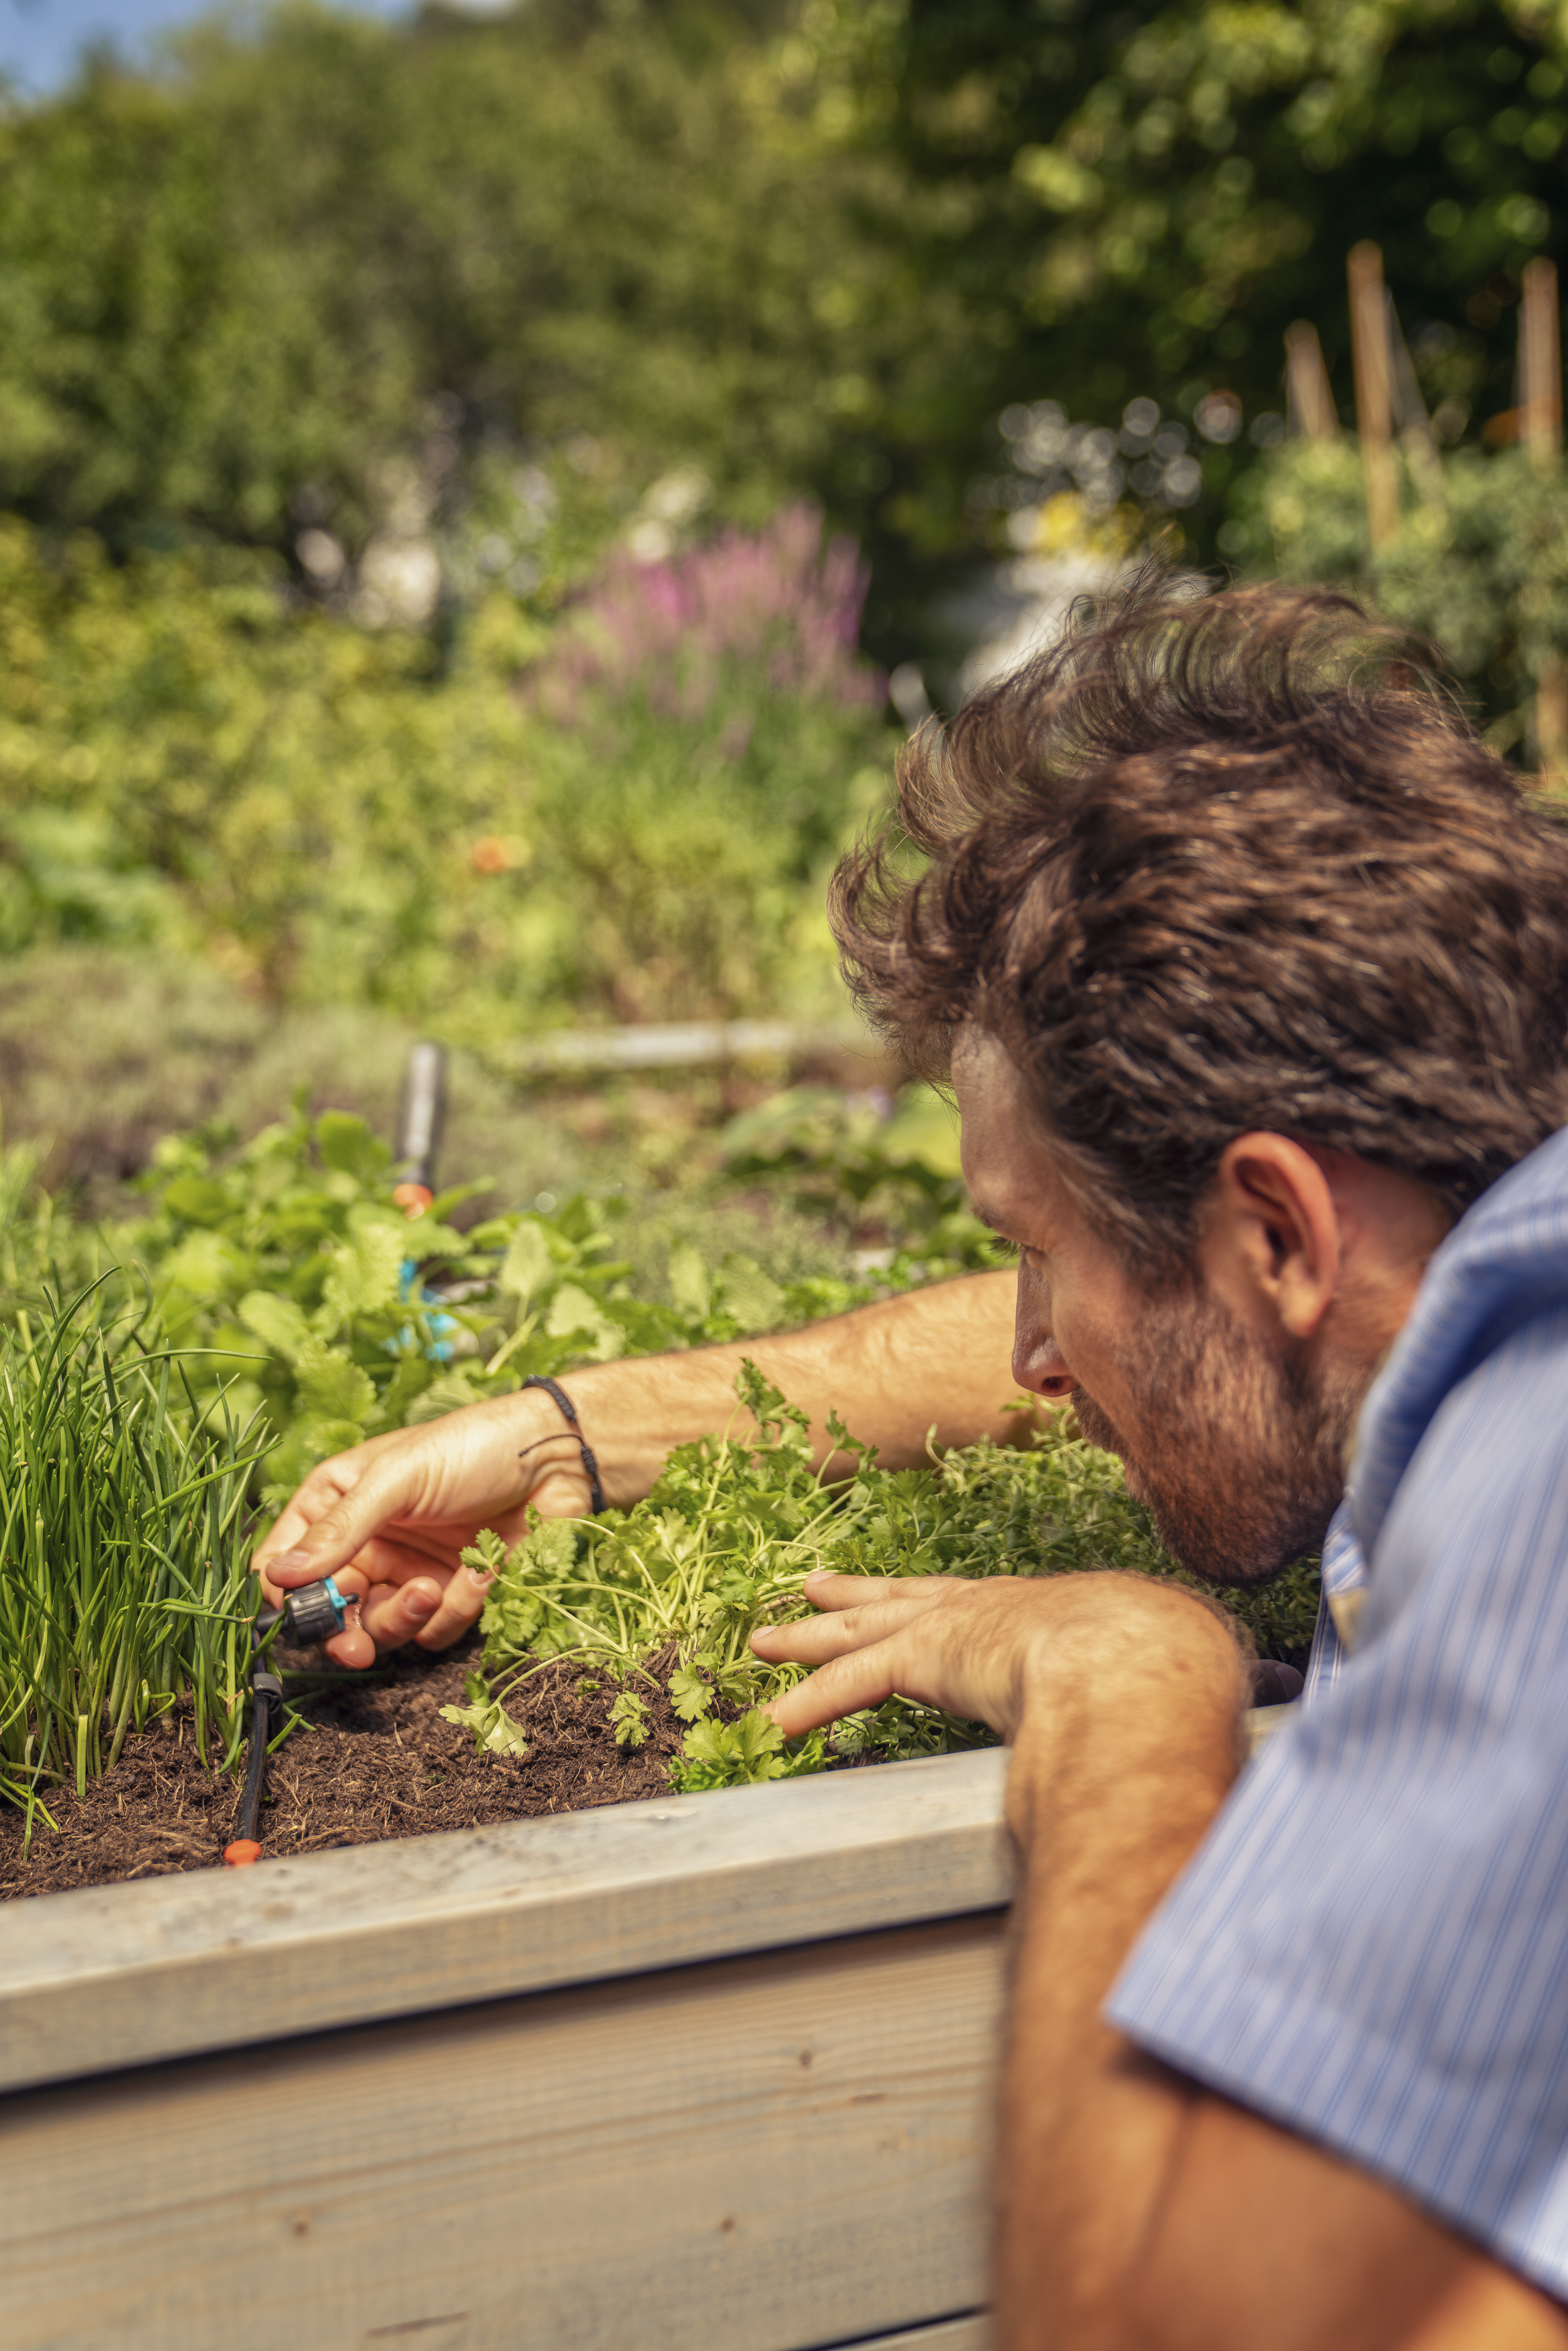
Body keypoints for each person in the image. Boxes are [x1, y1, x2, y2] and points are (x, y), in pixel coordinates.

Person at [258, 581, 1568, 2349]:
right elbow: (1122, 1325)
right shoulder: (1474, 1232)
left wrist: (1123, 1691)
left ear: (1269, 1226)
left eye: (1041, 1249)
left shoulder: (1528, 1506)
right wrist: (576, 1436)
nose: (1032, 1354)